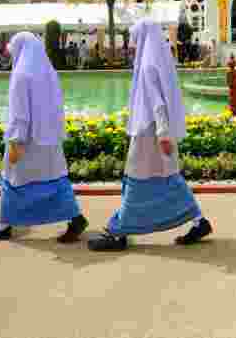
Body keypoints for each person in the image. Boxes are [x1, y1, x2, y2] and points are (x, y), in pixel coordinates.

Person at [88, 19, 212, 251]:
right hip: (155, 132)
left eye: (134, 40)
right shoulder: (160, 59)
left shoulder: (147, 65)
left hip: (149, 134)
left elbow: (157, 104)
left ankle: (119, 232)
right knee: (170, 178)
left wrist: (163, 134)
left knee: (135, 181)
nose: (132, 45)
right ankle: (198, 221)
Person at [0, 32, 88, 242]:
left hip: (27, 141)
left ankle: (3, 226)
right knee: (55, 181)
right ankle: (75, 218)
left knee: (14, 180)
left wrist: (16, 141)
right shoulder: (48, 72)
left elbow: (20, 114)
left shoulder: (21, 75)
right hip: (50, 140)